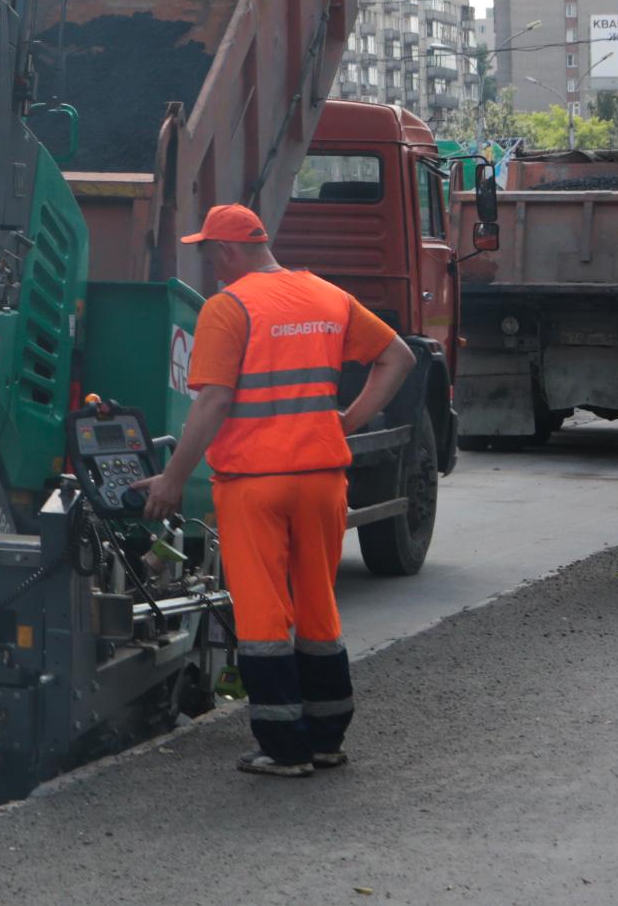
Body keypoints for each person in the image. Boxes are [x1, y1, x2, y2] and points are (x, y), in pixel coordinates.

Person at [128, 203, 414, 778]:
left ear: (227, 252)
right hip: (322, 480)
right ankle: (327, 737)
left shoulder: (228, 308)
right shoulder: (327, 297)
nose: (211, 268)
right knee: (317, 606)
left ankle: (284, 749)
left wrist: (174, 478)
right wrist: (346, 422)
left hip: (255, 485)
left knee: (262, 616)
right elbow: (398, 357)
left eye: (211, 255)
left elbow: (212, 402)